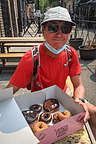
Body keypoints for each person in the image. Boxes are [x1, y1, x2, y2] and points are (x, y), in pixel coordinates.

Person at [6, 6, 89, 122]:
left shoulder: (71, 53)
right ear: (43, 30)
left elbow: (78, 85)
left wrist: (79, 100)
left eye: (66, 28)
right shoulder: (31, 58)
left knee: (93, 113)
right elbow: (10, 91)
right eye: (53, 28)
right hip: (38, 103)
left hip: (64, 97)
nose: (59, 34)